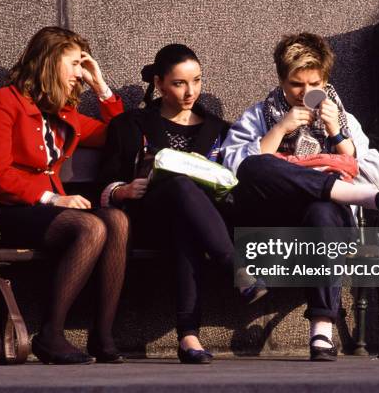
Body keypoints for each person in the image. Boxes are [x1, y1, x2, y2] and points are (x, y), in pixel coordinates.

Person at [221, 32, 379, 361]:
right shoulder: (259, 116)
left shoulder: (343, 119)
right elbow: (232, 169)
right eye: (296, 85)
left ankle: (321, 332)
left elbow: (378, 174)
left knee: (322, 209)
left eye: (314, 84)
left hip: (328, 222)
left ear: (326, 80)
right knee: (254, 167)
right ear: (281, 80)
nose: (306, 94)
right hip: (275, 219)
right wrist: (279, 131)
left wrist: (336, 132)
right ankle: (342, 191)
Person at [98, 44, 266, 365]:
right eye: (179, 83)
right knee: (178, 184)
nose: (191, 92)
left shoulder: (219, 130)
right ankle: (234, 266)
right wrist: (122, 190)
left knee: (187, 220)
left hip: (204, 222)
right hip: (147, 218)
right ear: (160, 84)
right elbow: (103, 182)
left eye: (197, 81)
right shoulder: (132, 125)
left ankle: (189, 338)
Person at [0, 27, 128, 365]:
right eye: (74, 64)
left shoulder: (65, 114)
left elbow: (122, 137)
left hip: (52, 211)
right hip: (11, 211)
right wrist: (52, 199)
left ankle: (103, 337)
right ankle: (50, 335)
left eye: (82, 66)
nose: (80, 74)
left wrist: (101, 87)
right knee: (91, 228)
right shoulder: (3, 102)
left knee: (115, 219)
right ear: (48, 61)